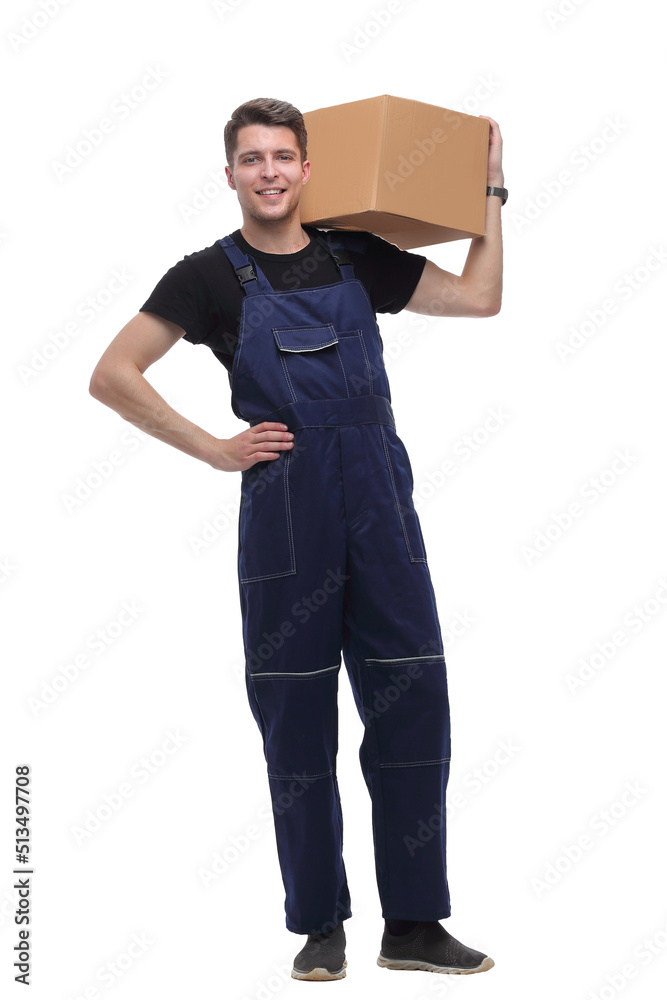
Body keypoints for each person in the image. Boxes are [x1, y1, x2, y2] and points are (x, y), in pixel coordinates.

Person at [89, 97, 505, 981]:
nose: (269, 172)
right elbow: (113, 373)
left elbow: (479, 299)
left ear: (307, 169)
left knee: (412, 701)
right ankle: (320, 925)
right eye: (252, 159)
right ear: (230, 175)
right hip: (287, 513)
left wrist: (491, 194)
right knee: (296, 718)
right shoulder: (207, 276)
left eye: (282, 156)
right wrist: (213, 448)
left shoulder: (356, 255)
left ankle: (413, 924)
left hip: (381, 507)